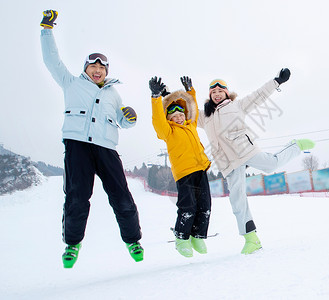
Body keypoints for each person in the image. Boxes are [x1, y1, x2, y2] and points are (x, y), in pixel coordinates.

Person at [40, 10, 143, 268]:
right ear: (85, 68)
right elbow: (52, 61)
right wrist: (46, 29)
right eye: (93, 66)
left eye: (101, 67)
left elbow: (123, 121)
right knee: (77, 196)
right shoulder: (72, 83)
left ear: (106, 71)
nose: (97, 70)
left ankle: (132, 240)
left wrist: (130, 117)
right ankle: (72, 244)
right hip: (77, 147)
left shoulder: (113, 94)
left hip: (107, 149)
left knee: (121, 195)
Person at [198, 69, 315, 254]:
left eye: (220, 91)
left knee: (272, 165)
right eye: (213, 92)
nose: (217, 94)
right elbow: (183, 114)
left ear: (227, 93)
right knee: (237, 200)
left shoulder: (237, 106)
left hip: (244, 150)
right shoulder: (204, 116)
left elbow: (259, 95)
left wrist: (277, 81)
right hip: (227, 162)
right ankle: (251, 239)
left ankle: (295, 146)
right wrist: (166, 97)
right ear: (209, 96)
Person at [149, 76, 212, 258]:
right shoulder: (168, 131)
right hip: (184, 173)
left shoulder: (190, 124)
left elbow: (193, 109)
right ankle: (181, 238)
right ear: (169, 118)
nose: (178, 118)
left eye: (181, 114)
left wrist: (190, 91)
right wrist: (155, 98)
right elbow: (158, 120)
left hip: (201, 170)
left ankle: (197, 236)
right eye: (174, 116)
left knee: (205, 205)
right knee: (188, 206)